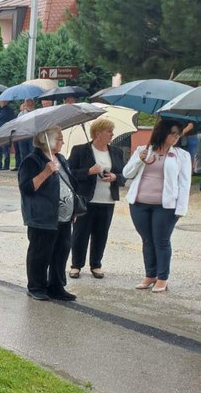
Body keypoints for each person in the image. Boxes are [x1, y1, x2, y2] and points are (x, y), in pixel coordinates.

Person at [122, 118, 191, 294]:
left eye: (178, 134)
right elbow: (126, 174)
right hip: (139, 204)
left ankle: (162, 278)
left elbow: (184, 184)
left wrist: (181, 208)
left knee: (161, 241)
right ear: (163, 133)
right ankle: (150, 275)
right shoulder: (142, 150)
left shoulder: (181, 155)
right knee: (147, 240)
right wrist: (139, 159)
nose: (176, 137)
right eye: (172, 133)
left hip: (165, 206)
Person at [18, 127, 78, 302]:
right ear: (47, 140)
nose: (62, 142)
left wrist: (73, 208)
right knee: (40, 252)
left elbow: (69, 184)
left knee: (61, 251)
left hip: (63, 217)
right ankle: (36, 286)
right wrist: (45, 172)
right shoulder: (32, 160)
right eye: (59, 139)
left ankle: (57, 286)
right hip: (42, 217)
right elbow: (27, 188)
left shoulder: (60, 158)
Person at [67, 118, 125, 279]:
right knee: (80, 233)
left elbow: (123, 176)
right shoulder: (80, 150)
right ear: (97, 134)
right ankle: (76, 265)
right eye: (109, 131)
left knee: (101, 234)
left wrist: (115, 177)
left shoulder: (116, 152)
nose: (112, 134)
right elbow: (69, 173)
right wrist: (88, 172)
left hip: (107, 200)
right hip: (86, 200)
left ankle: (96, 264)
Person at [0, 100, 15, 170]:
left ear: (6, 102)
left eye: (3, 101)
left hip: (5, 131)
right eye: (0, 101)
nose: (2, 102)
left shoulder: (10, 110)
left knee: (5, 149)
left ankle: (6, 165)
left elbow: (12, 120)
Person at [14, 99, 36, 170]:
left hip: (31, 135)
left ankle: (32, 167)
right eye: (27, 102)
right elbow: (17, 123)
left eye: (30, 102)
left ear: (32, 103)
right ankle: (24, 167)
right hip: (22, 135)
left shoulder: (35, 112)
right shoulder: (21, 113)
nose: (28, 103)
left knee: (32, 152)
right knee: (23, 153)